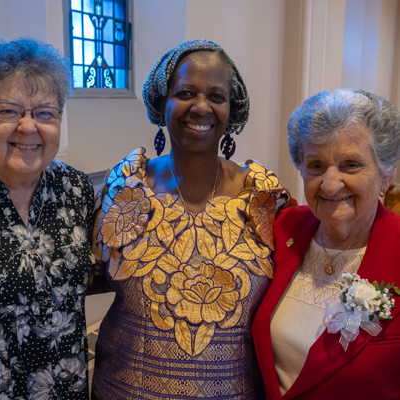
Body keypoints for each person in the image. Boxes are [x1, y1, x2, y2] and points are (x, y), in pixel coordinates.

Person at [89, 39, 289, 400]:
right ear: (160, 101)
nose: (201, 107)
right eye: (185, 93)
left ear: (232, 109)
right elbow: (90, 273)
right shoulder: (124, 183)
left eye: (216, 96)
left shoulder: (265, 196)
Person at [0, 38, 95, 399]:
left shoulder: (76, 188)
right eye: (9, 111)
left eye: (45, 112)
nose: (28, 127)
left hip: (66, 388)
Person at [253, 89, 400, 400]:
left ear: (386, 174)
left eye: (350, 165)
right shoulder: (283, 228)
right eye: (316, 165)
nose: (331, 184)